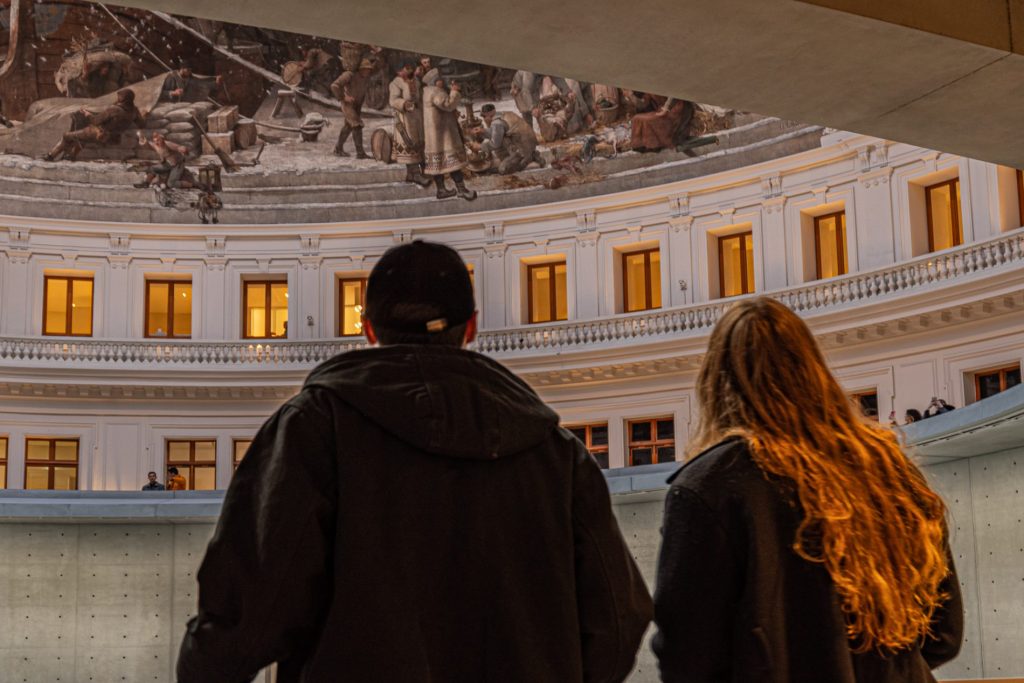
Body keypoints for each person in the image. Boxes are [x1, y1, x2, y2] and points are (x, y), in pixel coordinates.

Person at [176, 240, 652, 682]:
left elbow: (247, 612)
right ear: (472, 327)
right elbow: (618, 617)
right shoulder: (556, 453)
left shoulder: (314, 428)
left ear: (367, 330)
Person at [652, 297, 962, 682]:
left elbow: (687, 658)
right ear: (813, 371)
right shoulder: (889, 470)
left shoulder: (710, 487)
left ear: (717, 382)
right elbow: (943, 636)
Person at [44, 88, 145, 162]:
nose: (118, 98)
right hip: (114, 138)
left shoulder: (114, 109)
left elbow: (96, 121)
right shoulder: (134, 111)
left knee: (67, 136)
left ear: (123, 98)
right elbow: (142, 124)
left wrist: (88, 114)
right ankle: (71, 156)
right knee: (82, 136)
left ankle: (50, 156)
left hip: (99, 134)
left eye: (120, 97)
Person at [421, 69, 476, 200]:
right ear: (436, 81)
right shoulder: (435, 91)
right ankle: (461, 190)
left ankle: (441, 190)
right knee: (453, 162)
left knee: (438, 164)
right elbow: (448, 104)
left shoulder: (427, 91)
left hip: (435, 134)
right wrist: (455, 91)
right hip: (442, 134)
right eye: (440, 79)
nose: (442, 81)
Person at [388, 61, 431, 187]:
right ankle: (415, 174)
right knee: (409, 142)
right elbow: (393, 100)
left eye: (410, 67)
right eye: (406, 68)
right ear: (399, 71)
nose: (410, 70)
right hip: (404, 118)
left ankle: (416, 173)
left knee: (420, 142)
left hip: (417, 116)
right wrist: (404, 104)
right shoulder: (395, 83)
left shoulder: (416, 81)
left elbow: (419, 97)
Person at [470, 103, 545, 175]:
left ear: (490, 114)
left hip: (521, 150)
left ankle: (529, 160)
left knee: (503, 169)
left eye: (484, 116)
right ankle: (531, 155)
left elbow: (495, 144)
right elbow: (498, 133)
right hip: (526, 145)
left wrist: (479, 146)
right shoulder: (503, 115)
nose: (484, 119)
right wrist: (483, 131)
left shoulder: (497, 123)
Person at [330, 59, 374, 158]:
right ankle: (360, 153)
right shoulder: (349, 74)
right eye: (365, 69)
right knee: (357, 126)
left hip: (357, 105)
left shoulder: (366, 78)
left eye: (369, 69)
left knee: (348, 126)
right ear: (360, 69)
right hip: (347, 105)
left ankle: (338, 149)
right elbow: (334, 86)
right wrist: (343, 97)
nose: (367, 71)